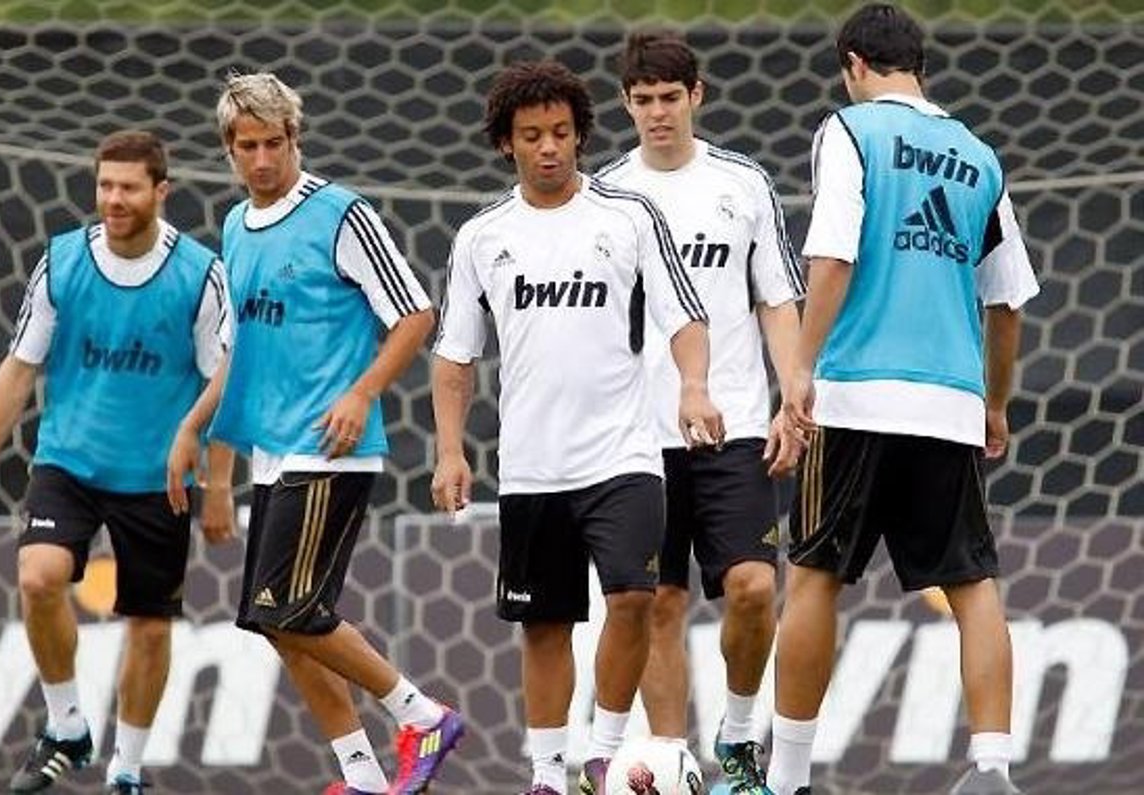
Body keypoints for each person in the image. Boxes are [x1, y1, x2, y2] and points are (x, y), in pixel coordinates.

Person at [430, 60, 724, 795]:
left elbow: (686, 317)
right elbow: (455, 357)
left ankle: (603, 753)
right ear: (507, 142)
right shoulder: (482, 236)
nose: (549, 148)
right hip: (532, 465)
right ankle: (545, 774)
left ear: (581, 135)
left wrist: (693, 388)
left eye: (561, 133)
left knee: (634, 597)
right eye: (533, 135)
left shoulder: (628, 217)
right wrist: (449, 450)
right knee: (545, 624)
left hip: (623, 455)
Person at [769, 5, 1040, 795]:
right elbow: (1008, 301)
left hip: (856, 396)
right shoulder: (979, 156)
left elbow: (832, 256)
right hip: (950, 402)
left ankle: (787, 778)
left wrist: (800, 369)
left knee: (814, 575)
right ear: (919, 65)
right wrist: (995, 403)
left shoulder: (849, 131)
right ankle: (992, 768)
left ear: (854, 64)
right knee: (973, 584)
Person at [176, 72, 458, 795]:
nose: (262, 159)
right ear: (228, 150)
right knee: (276, 621)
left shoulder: (341, 213)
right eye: (247, 146)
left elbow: (415, 313)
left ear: (295, 139)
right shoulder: (235, 227)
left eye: (274, 143)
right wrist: (202, 444)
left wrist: (362, 394)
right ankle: (361, 775)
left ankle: (422, 715)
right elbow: (237, 352)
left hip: (330, 448)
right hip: (272, 453)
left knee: (289, 608)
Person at [0, 130, 234, 794]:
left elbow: (224, 387)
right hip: (68, 462)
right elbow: (18, 370)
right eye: (105, 185)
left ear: (161, 191)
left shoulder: (200, 275)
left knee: (150, 627)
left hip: (157, 477)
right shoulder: (63, 261)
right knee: (38, 577)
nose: (114, 199)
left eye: (129, 187)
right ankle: (67, 723)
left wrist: (218, 483)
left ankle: (126, 769)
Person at [597, 30, 805, 794]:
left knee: (752, 587)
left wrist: (792, 395)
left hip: (735, 423)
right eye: (643, 99)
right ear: (626, 104)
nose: (657, 112)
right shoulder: (606, 194)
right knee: (659, 601)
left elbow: (776, 298)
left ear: (697, 96)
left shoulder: (742, 183)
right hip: (637, 438)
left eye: (669, 97)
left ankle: (740, 736)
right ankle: (670, 758)